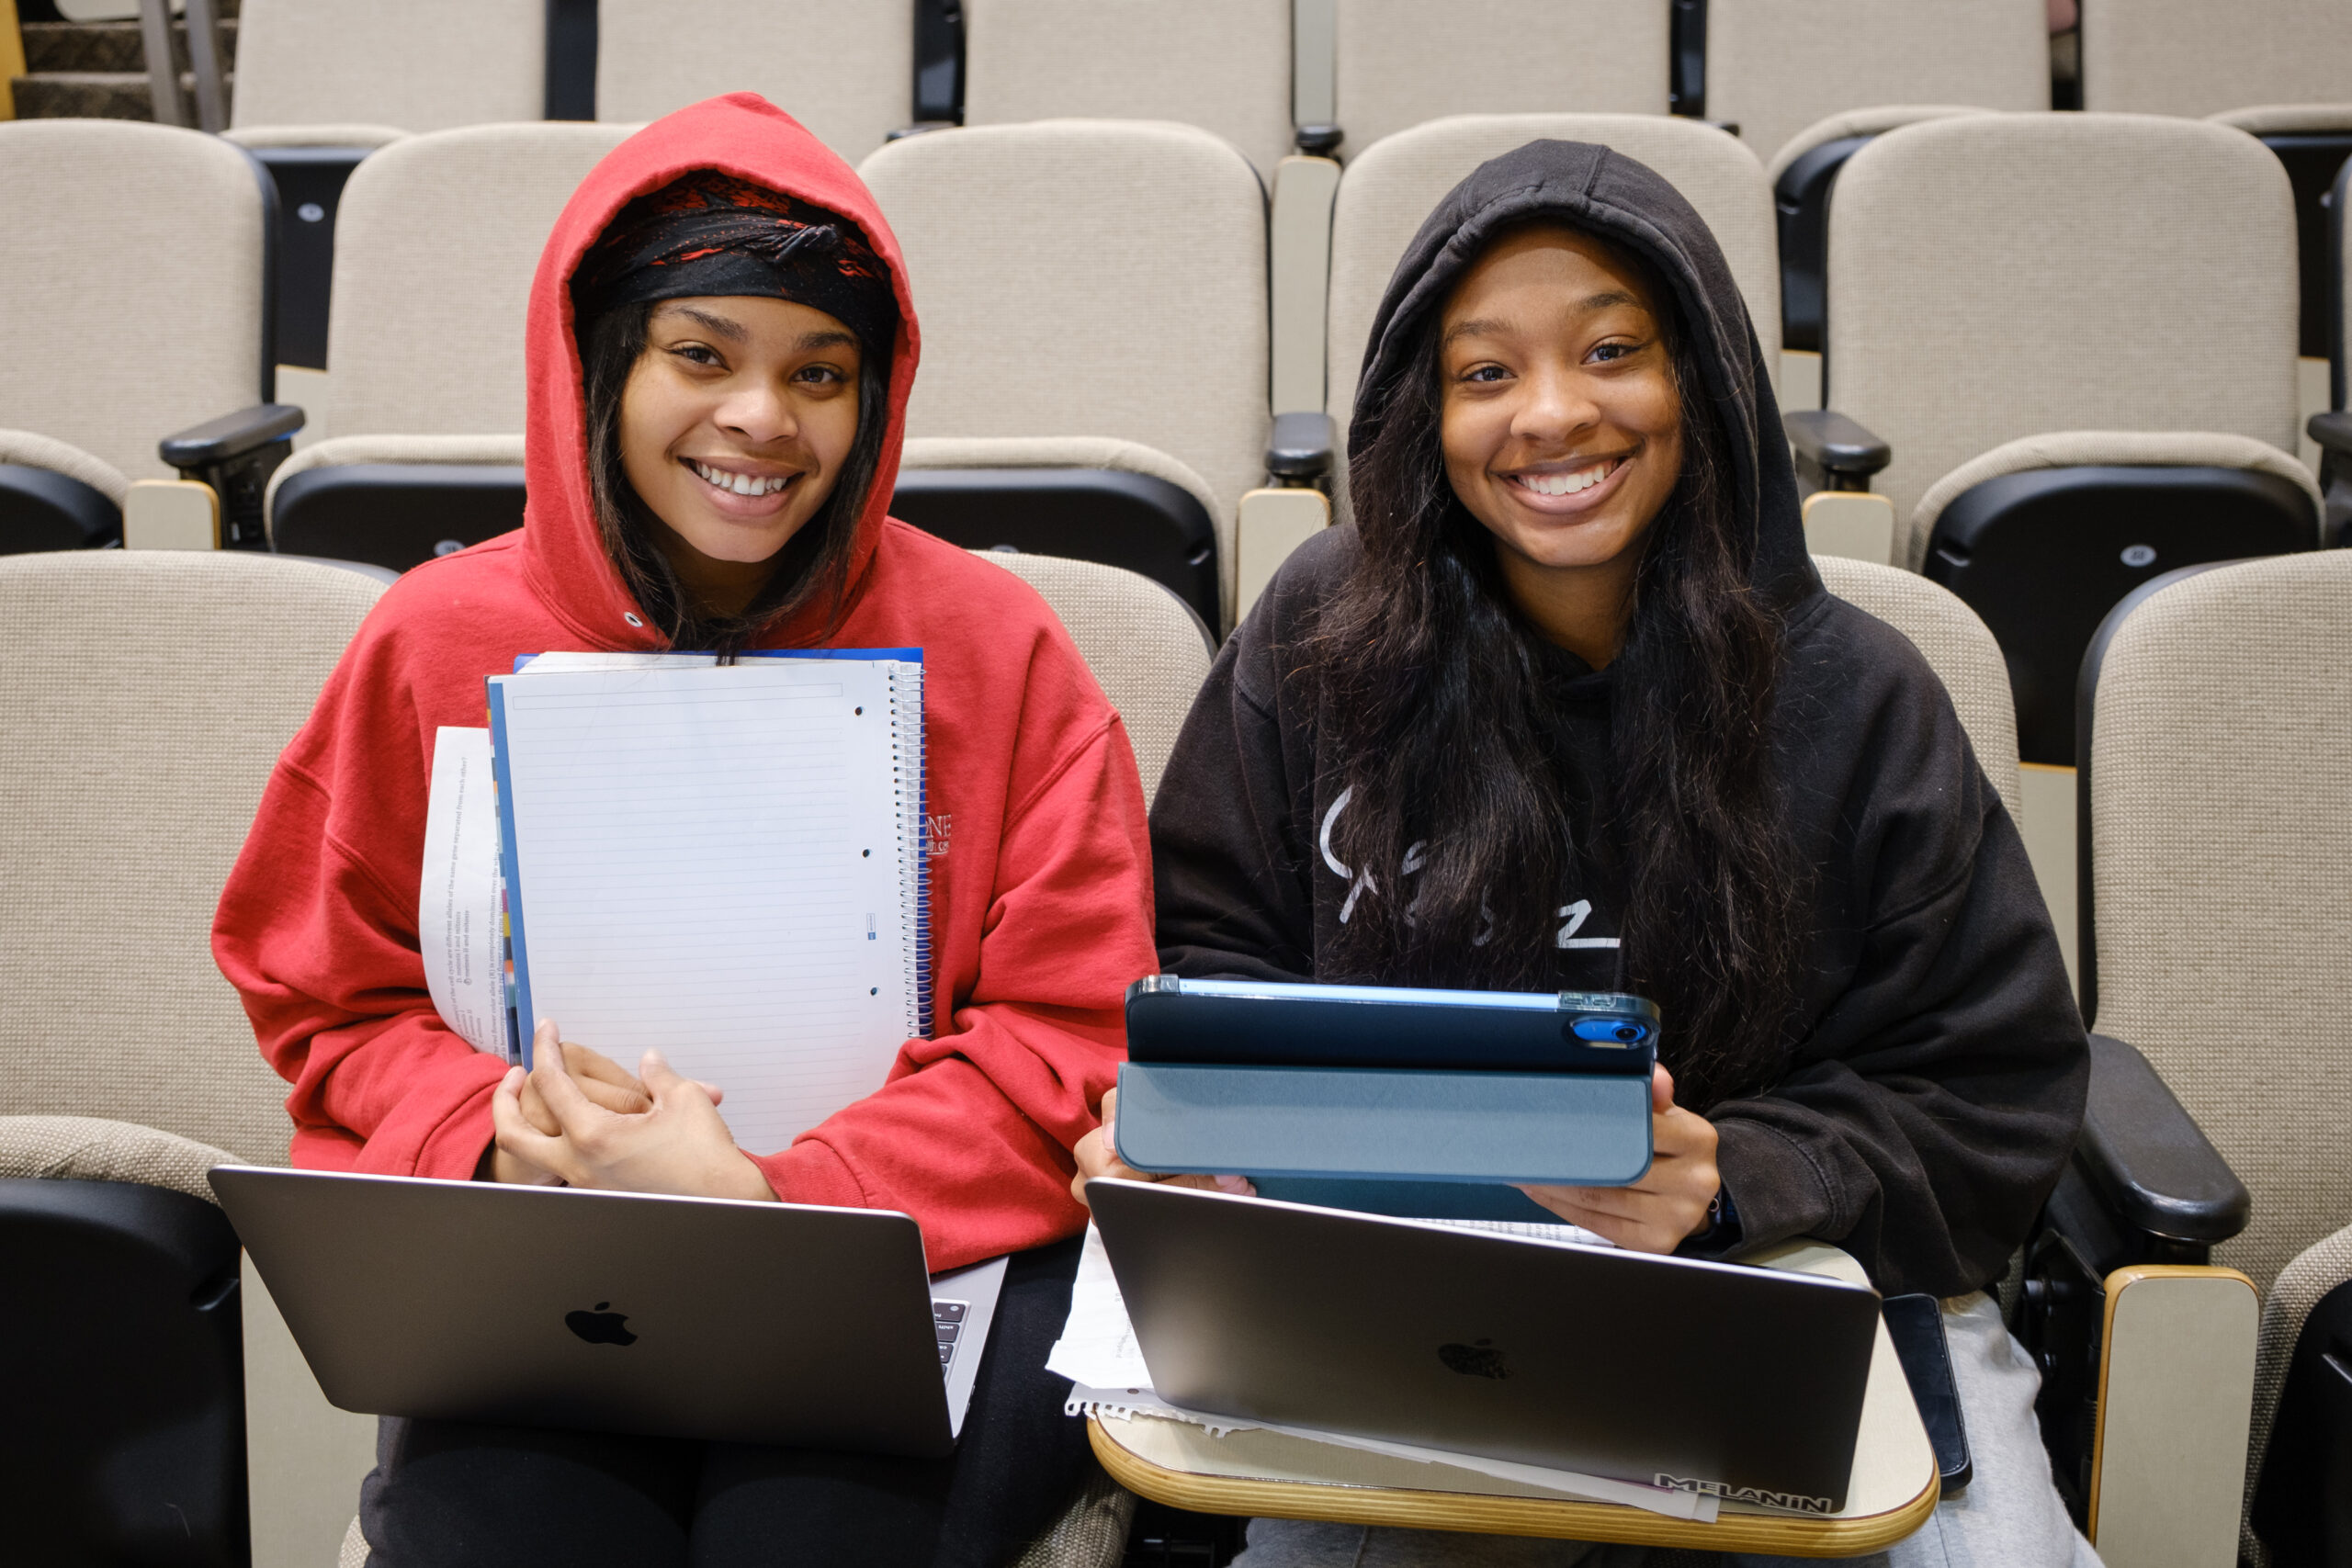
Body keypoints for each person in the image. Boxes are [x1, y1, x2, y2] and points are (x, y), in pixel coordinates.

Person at [1075, 140, 2098, 1566]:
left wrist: (1732, 1177)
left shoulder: (1860, 696)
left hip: (1787, 1278)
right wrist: (1207, 1148)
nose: (1552, 415)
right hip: (1392, 1297)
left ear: (1705, 378)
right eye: (1485, 372)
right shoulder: (1315, 639)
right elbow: (1212, 958)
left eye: (1612, 350)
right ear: (1419, 413)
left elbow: (1984, 1095)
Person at [213, 93, 1159, 1568]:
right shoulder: (428, 639)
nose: (763, 421)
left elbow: (1067, 1032)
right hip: (555, 1253)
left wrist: (783, 1199)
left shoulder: (1003, 646)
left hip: (921, 1256)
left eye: (821, 372)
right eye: (700, 355)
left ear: (874, 400)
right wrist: (491, 1134)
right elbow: (326, 997)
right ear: (600, 362)